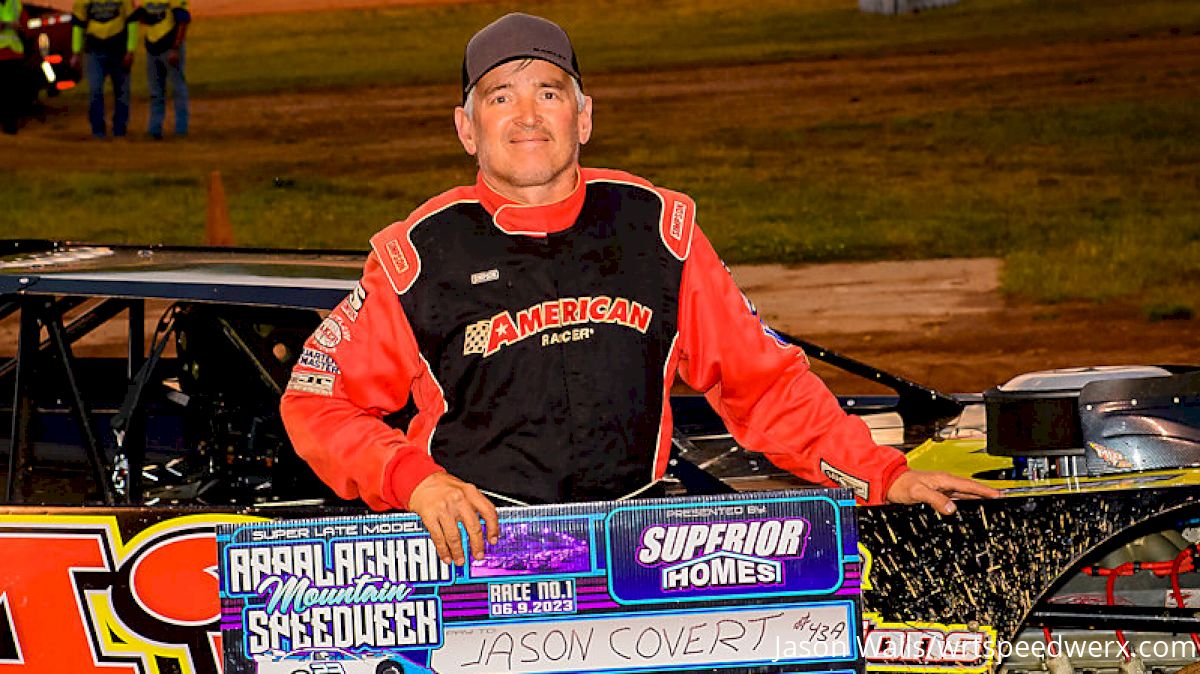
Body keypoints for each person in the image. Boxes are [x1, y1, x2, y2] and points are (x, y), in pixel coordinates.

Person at [280, 13, 999, 566]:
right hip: (477, 556)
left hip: (637, 550)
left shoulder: (659, 228)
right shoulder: (414, 254)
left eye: (548, 93)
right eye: (500, 96)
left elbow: (764, 386)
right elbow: (315, 399)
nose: (526, 115)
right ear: (467, 128)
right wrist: (414, 482)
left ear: (583, 115)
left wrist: (884, 476)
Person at [69, 0, 137, 139]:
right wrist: (76, 52)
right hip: (95, 49)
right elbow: (78, 24)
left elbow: (132, 20)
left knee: (122, 91)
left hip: (119, 49)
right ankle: (98, 130)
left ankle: (120, 129)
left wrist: (130, 50)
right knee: (95, 90)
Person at [131, 0, 189, 139]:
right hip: (153, 48)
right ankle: (154, 129)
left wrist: (175, 48)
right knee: (156, 91)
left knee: (177, 89)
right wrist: (136, 11)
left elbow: (183, 21)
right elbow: (147, 19)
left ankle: (181, 129)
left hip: (169, 47)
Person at [0, 0, 27, 135]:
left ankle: (11, 125)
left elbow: (26, 27)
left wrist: (19, 27)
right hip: (2, 53)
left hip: (15, 53)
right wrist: (5, 24)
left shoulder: (16, 3)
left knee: (13, 91)